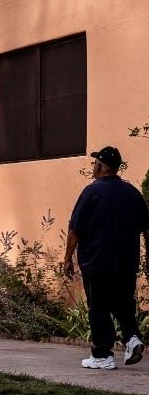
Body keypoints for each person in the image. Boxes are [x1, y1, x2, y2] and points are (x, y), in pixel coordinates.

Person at [63, 146, 149, 369]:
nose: (94, 167)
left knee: (99, 307)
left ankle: (102, 354)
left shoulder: (91, 192)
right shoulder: (132, 193)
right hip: (126, 262)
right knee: (122, 302)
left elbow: (75, 229)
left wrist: (67, 258)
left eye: (95, 164)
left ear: (100, 166)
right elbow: (146, 229)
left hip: (97, 262)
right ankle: (132, 338)